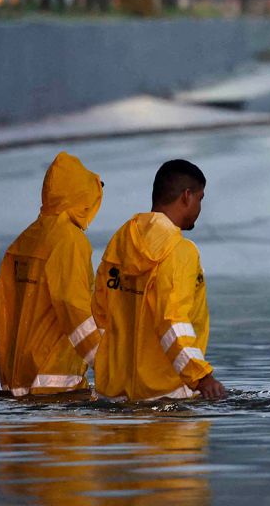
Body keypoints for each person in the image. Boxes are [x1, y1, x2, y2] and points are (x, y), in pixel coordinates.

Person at [92, 159, 225, 400]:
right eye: (200, 198)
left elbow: (99, 313)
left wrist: (108, 371)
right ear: (187, 196)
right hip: (166, 396)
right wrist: (201, 377)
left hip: (113, 395)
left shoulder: (121, 241)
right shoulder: (179, 251)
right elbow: (172, 322)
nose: (200, 207)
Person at [0, 152, 104, 396]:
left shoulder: (25, 240)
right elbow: (73, 306)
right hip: (59, 393)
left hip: (16, 384)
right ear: (84, 198)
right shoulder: (70, 241)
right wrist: (106, 362)